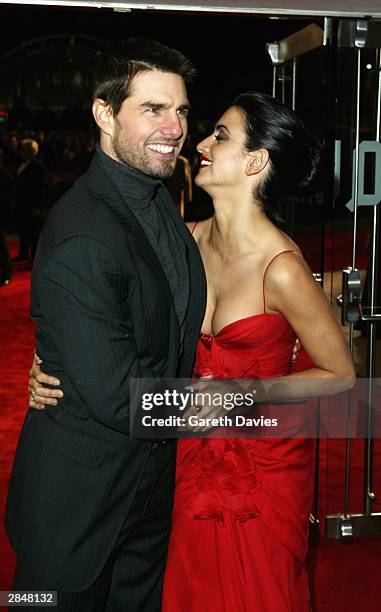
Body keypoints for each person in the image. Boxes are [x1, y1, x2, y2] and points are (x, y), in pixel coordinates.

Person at [28, 92, 355, 611]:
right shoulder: (180, 239)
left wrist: (247, 392)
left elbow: (340, 374)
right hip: (186, 456)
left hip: (260, 474)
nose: (198, 142)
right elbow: (101, 303)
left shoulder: (283, 267)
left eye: (220, 136)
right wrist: (52, 358)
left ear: (255, 161)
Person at [5, 38, 206, 611]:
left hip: (147, 495)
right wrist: (243, 403)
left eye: (182, 110)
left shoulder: (156, 198)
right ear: (103, 113)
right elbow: (120, 397)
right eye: (153, 109)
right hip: (77, 511)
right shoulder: (83, 233)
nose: (174, 127)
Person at [13, 138, 47, 262]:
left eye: (23, 149)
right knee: (22, 228)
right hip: (21, 203)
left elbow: (40, 189)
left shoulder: (38, 167)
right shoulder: (20, 164)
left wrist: (37, 207)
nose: (20, 151)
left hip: (32, 205)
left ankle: (34, 257)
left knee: (33, 231)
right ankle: (23, 253)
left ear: (30, 151)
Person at [0, 148, 14, 285]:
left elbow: (8, 203)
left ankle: (6, 273)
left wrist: (5, 223)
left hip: (0, 218)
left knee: (1, 248)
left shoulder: (5, 178)